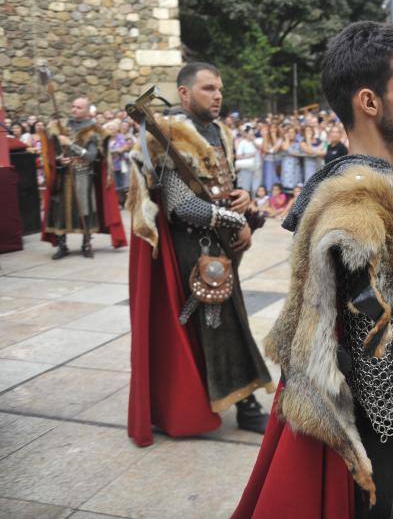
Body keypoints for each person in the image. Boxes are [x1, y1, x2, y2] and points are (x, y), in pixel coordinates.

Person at [233, 22, 393, 519]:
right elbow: (372, 342)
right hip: (380, 428)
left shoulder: (369, 178)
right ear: (369, 101)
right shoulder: (357, 198)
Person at [126, 62, 274, 448]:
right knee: (219, 327)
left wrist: (243, 201)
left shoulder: (218, 132)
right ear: (186, 93)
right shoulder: (172, 133)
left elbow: (225, 185)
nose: (218, 95)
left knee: (226, 323)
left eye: (220, 88)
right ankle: (245, 407)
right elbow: (180, 206)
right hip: (195, 250)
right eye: (208, 88)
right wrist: (233, 219)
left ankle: (233, 401)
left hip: (220, 244)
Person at [42, 97, 127, 258]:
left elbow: (91, 156)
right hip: (63, 174)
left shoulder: (94, 131)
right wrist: (60, 159)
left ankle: (86, 244)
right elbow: (55, 152)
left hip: (83, 175)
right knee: (60, 210)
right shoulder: (62, 126)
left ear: (88, 111)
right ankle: (62, 245)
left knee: (85, 210)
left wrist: (70, 144)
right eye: (73, 106)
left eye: (79, 107)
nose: (74, 110)